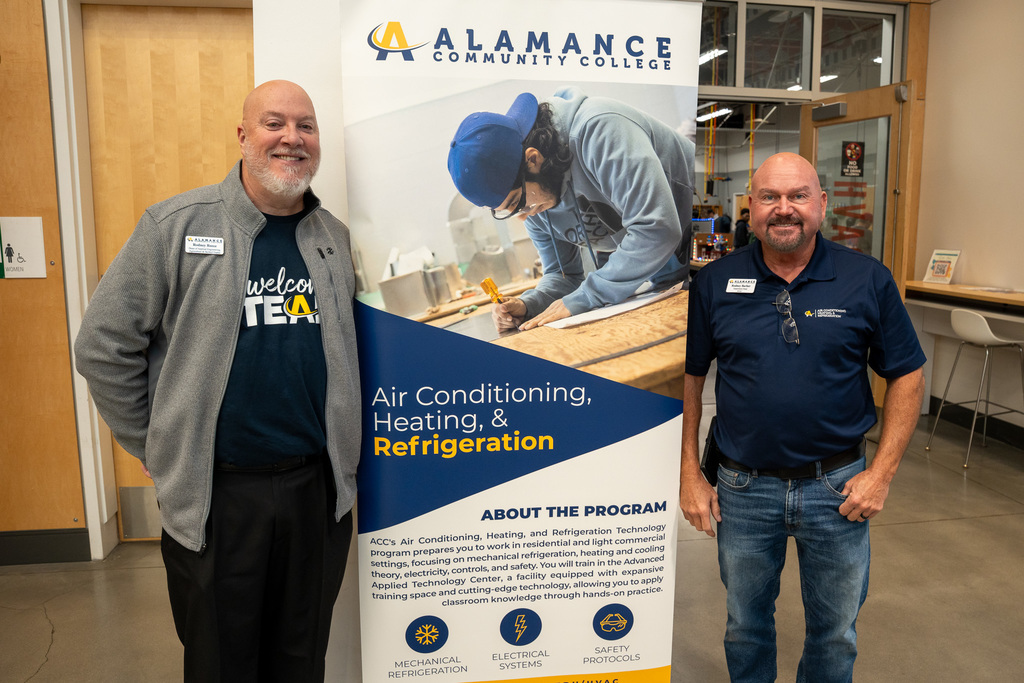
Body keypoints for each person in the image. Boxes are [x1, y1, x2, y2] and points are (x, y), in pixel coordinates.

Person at [74, 80, 360, 682]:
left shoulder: (332, 238)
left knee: (301, 661)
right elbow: (103, 344)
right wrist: (156, 442)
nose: (291, 138)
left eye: (305, 126)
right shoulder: (175, 226)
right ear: (243, 135)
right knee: (220, 665)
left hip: (315, 494)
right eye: (274, 123)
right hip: (218, 499)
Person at [679, 153, 925, 682]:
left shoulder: (865, 279)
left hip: (837, 490)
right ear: (751, 207)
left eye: (798, 196)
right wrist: (690, 475)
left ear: (822, 204)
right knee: (745, 626)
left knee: (835, 632)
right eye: (770, 197)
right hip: (742, 489)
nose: (784, 208)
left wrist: (881, 475)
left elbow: (907, 373)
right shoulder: (716, 281)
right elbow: (692, 379)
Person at [447, 87, 695, 330]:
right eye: (507, 210)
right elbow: (563, 275)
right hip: (668, 280)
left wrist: (587, 296)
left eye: (516, 203)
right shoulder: (534, 200)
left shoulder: (600, 129)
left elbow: (656, 228)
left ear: (533, 160)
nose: (523, 217)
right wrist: (528, 304)